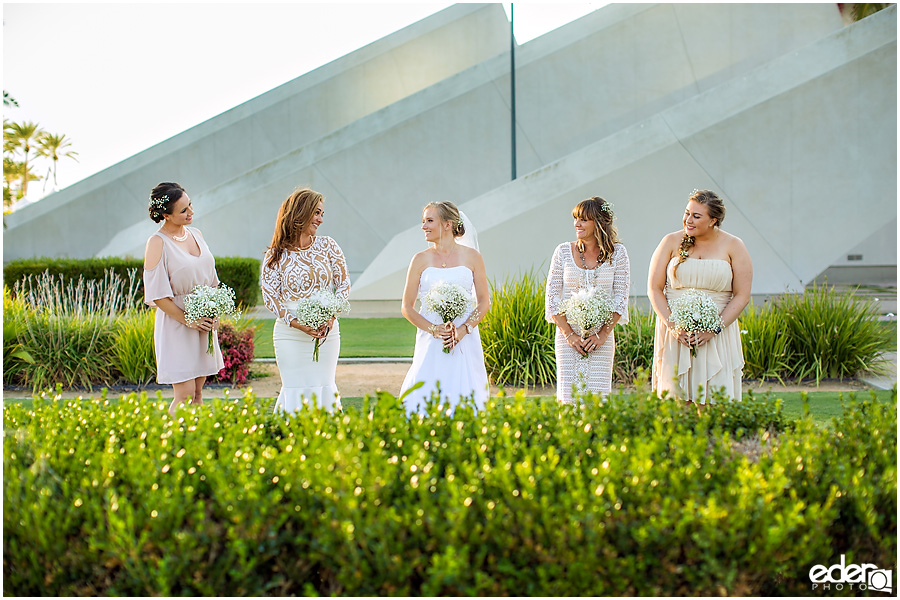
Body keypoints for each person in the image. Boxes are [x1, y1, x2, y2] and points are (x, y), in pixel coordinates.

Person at [648, 189, 752, 405]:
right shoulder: (670, 241)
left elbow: (742, 295)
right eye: (687, 213)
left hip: (716, 333)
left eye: (696, 216)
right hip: (677, 333)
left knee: (714, 403)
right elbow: (654, 288)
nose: (688, 220)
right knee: (677, 403)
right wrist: (674, 325)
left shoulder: (734, 245)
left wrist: (713, 328)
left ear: (713, 220)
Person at [260, 188, 350, 413]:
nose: (320, 219)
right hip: (289, 333)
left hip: (326, 332)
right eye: (316, 212)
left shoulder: (328, 245)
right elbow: (270, 297)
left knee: (324, 384)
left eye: (322, 214)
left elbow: (344, 285)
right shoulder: (275, 254)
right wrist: (296, 322)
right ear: (301, 212)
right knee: (295, 386)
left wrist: (331, 317)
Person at [399, 201, 490, 413]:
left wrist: (463, 330)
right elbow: (407, 307)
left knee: (465, 393)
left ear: (448, 224)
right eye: (423, 221)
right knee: (425, 389)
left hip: (465, 340)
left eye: (429, 221)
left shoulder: (473, 257)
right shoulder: (419, 259)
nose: (424, 226)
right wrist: (434, 329)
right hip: (431, 340)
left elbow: (484, 302)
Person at [143, 182, 224, 417]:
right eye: (183, 210)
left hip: (203, 323)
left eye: (190, 205)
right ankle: (171, 441)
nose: (191, 213)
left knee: (198, 392)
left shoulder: (196, 234)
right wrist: (189, 320)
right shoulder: (157, 243)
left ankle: (194, 441)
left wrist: (214, 314)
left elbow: (212, 281)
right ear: (166, 215)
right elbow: (158, 295)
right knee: (185, 393)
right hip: (177, 325)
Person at [545, 197, 631, 403]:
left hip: (601, 340)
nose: (577, 224)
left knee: (598, 399)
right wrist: (569, 335)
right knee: (569, 398)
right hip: (568, 340)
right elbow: (552, 297)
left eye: (583, 219)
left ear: (599, 223)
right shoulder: (563, 252)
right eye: (575, 219)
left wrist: (602, 335)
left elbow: (621, 298)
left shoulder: (618, 254)